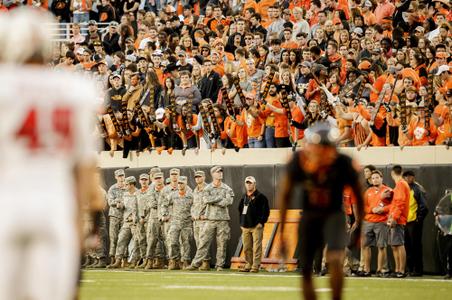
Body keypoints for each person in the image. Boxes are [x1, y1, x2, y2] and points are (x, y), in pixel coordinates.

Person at [0, 8, 103, 300]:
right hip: (54, 207)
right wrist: (87, 227)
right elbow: (85, 170)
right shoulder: (76, 89)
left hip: (7, 204)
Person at [278, 122, 364, 300]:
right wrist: (281, 234)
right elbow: (285, 195)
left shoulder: (343, 162)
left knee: (334, 259)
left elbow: (359, 196)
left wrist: (359, 229)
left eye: (327, 146)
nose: (323, 152)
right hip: (309, 214)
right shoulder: (299, 160)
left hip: (333, 214)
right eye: (320, 146)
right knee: (306, 268)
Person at [187, 166, 234, 271]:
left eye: (221, 171)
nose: (220, 173)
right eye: (217, 172)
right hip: (210, 219)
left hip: (223, 220)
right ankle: (196, 264)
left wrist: (214, 200)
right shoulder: (207, 188)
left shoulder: (227, 188)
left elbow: (228, 202)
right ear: (213, 174)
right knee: (203, 242)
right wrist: (219, 198)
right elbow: (206, 199)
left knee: (222, 244)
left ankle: (219, 265)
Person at [361, 170, 392, 277]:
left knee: (381, 246)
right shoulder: (368, 191)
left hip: (381, 222)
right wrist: (372, 209)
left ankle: (380, 270)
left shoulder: (388, 191)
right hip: (368, 222)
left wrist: (382, 210)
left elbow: (393, 205)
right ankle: (367, 270)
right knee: (365, 246)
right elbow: (363, 206)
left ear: (381, 178)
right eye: (373, 178)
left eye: (377, 177)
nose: (375, 180)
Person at [238, 176, 270, 273]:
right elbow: (240, 210)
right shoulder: (244, 197)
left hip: (256, 226)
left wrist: (261, 223)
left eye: (250, 183)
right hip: (245, 226)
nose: (248, 184)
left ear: (254, 184)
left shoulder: (261, 197)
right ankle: (248, 265)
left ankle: (255, 266)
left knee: (257, 247)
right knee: (247, 247)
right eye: (247, 183)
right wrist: (241, 223)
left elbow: (266, 212)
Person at [108, 176, 139, 268]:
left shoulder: (138, 194)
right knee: (121, 240)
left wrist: (134, 217)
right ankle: (118, 261)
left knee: (137, 242)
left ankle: (134, 261)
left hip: (135, 222)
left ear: (131, 184)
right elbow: (122, 205)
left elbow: (141, 207)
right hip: (126, 222)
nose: (124, 186)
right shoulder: (124, 194)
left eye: (126, 184)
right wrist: (119, 205)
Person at [402, 170, 429, 276]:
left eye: (411, 176)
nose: (409, 178)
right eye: (407, 176)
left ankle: (418, 270)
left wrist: (419, 219)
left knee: (415, 246)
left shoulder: (418, 189)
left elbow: (424, 207)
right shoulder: (403, 189)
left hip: (414, 222)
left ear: (414, 177)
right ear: (404, 178)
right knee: (407, 247)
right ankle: (409, 269)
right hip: (405, 222)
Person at [164, 176, 193, 270]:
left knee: (186, 243)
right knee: (172, 242)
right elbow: (164, 204)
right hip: (175, 222)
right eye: (179, 183)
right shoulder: (173, 195)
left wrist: (194, 214)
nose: (180, 185)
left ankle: (185, 261)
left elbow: (196, 205)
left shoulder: (191, 195)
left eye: (182, 183)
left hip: (187, 222)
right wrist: (165, 214)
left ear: (186, 183)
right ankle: (174, 261)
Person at [387, 165, 411, 278]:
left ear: (392, 173)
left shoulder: (401, 184)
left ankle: (401, 270)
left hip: (398, 219)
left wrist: (394, 218)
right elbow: (395, 203)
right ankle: (397, 269)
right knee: (395, 245)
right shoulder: (399, 185)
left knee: (399, 244)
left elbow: (400, 203)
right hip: (395, 218)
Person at [191, 170, 210, 270]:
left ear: (204, 177)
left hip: (204, 220)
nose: (198, 178)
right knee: (198, 241)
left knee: (203, 242)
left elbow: (210, 204)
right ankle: (201, 262)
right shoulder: (195, 190)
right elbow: (193, 205)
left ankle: (206, 262)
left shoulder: (208, 188)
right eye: (196, 177)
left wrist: (205, 215)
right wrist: (193, 214)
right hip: (196, 220)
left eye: (199, 176)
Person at [107, 169, 126, 266]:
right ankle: (112, 258)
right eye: (119, 176)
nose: (121, 178)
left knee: (124, 239)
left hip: (125, 217)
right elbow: (110, 201)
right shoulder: (112, 188)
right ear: (116, 177)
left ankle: (124, 260)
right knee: (113, 238)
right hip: (114, 216)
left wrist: (122, 203)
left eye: (122, 175)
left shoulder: (128, 187)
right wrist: (117, 203)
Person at [435, 191, 452, 280]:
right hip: (449, 231)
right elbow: (441, 210)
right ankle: (449, 272)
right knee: (449, 252)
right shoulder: (449, 198)